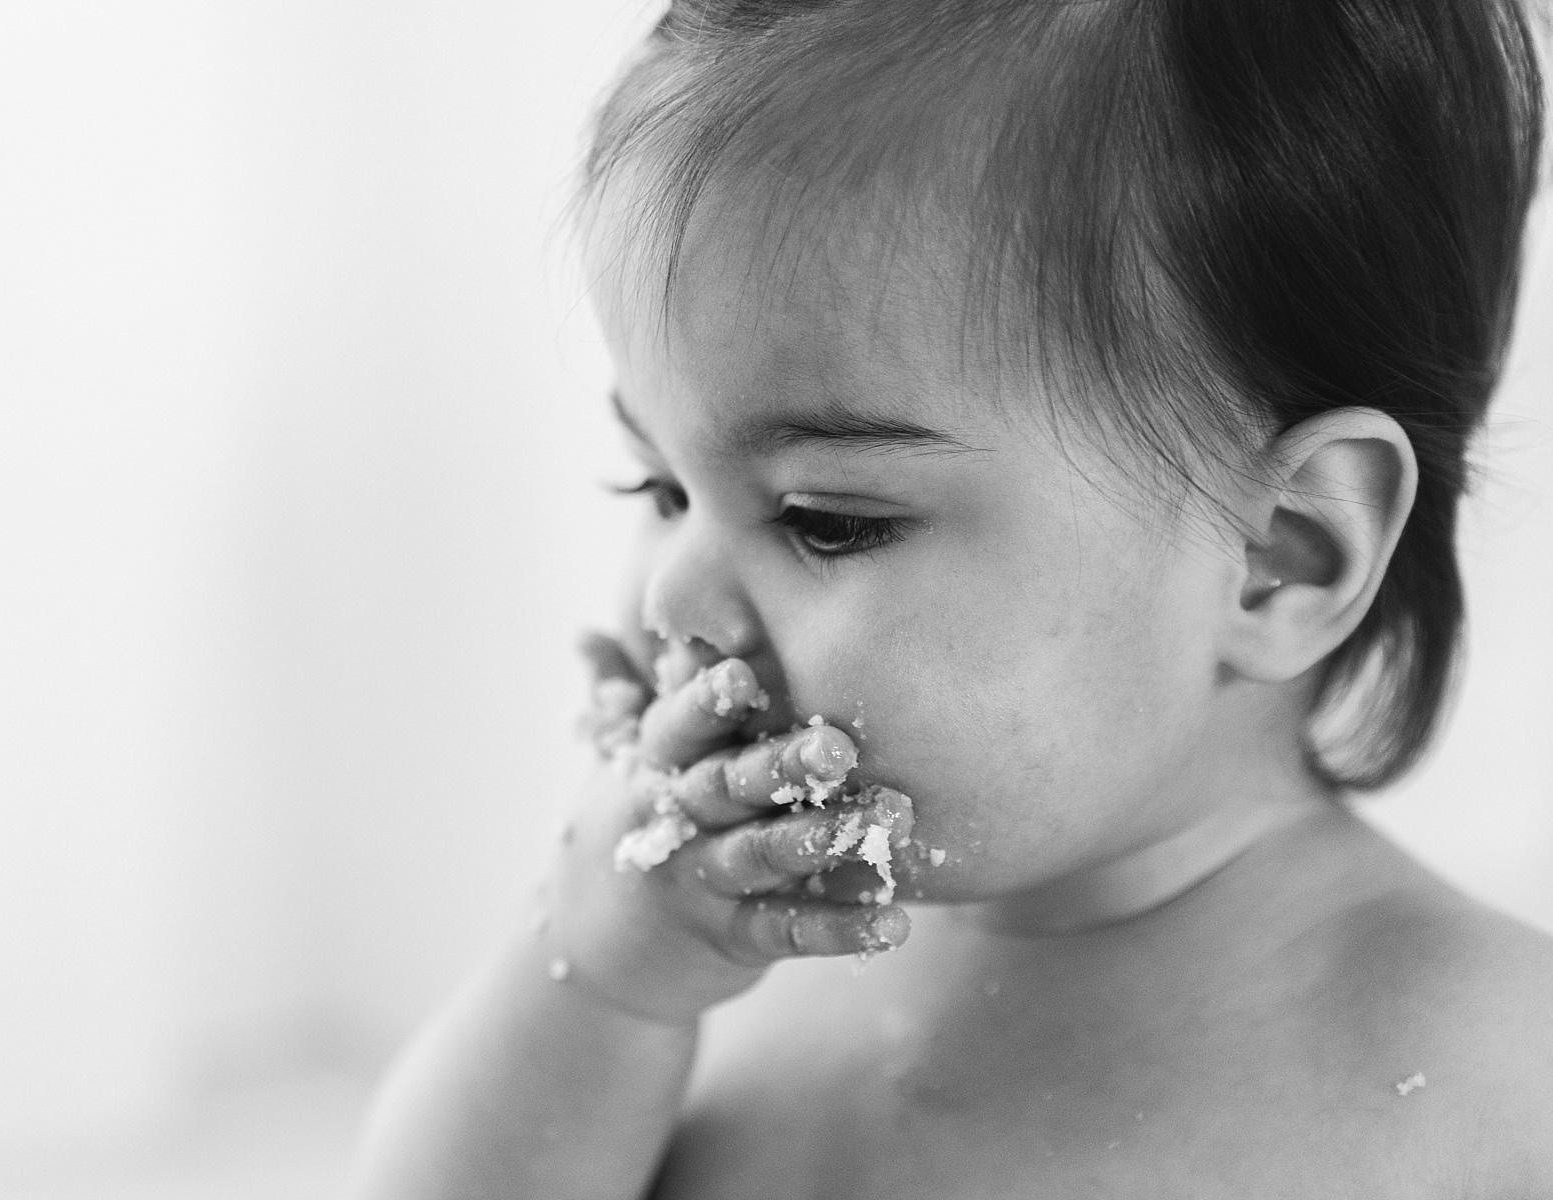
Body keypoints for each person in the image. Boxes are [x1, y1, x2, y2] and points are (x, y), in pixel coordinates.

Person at [351, 0, 1551, 1194]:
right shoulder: (703, 974)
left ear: (1280, 555)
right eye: (660, 485)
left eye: (828, 520)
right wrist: (597, 982)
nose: (674, 601)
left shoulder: (1494, 1083)